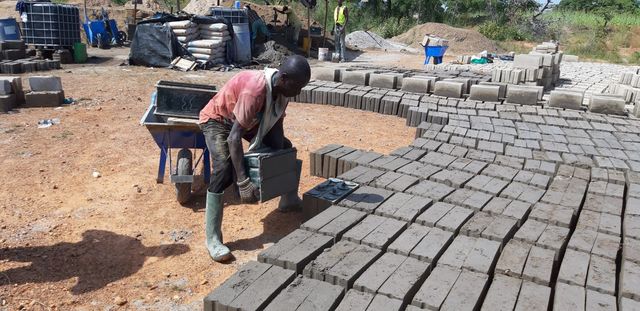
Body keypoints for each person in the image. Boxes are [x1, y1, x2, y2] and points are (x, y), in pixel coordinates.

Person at [198, 55, 311, 262]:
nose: (299, 92)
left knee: (284, 148)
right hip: (219, 120)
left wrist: (278, 151)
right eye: (297, 86)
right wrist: (243, 181)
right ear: (283, 78)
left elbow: (276, 125)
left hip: (249, 121)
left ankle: (288, 199)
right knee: (224, 168)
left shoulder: (282, 92)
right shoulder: (255, 90)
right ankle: (212, 237)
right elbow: (234, 138)